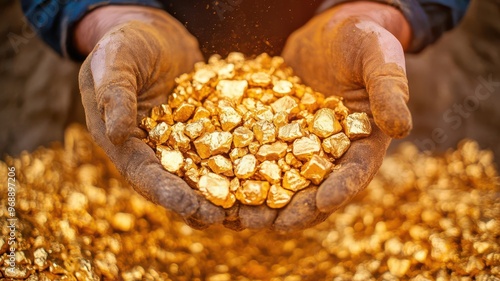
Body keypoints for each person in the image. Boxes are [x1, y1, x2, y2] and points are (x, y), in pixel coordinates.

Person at [18, 0, 487, 232]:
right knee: (62, 147)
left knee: (429, 143)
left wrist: (378, 10)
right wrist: (103, 14)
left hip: (336, 44)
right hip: (146, 42)